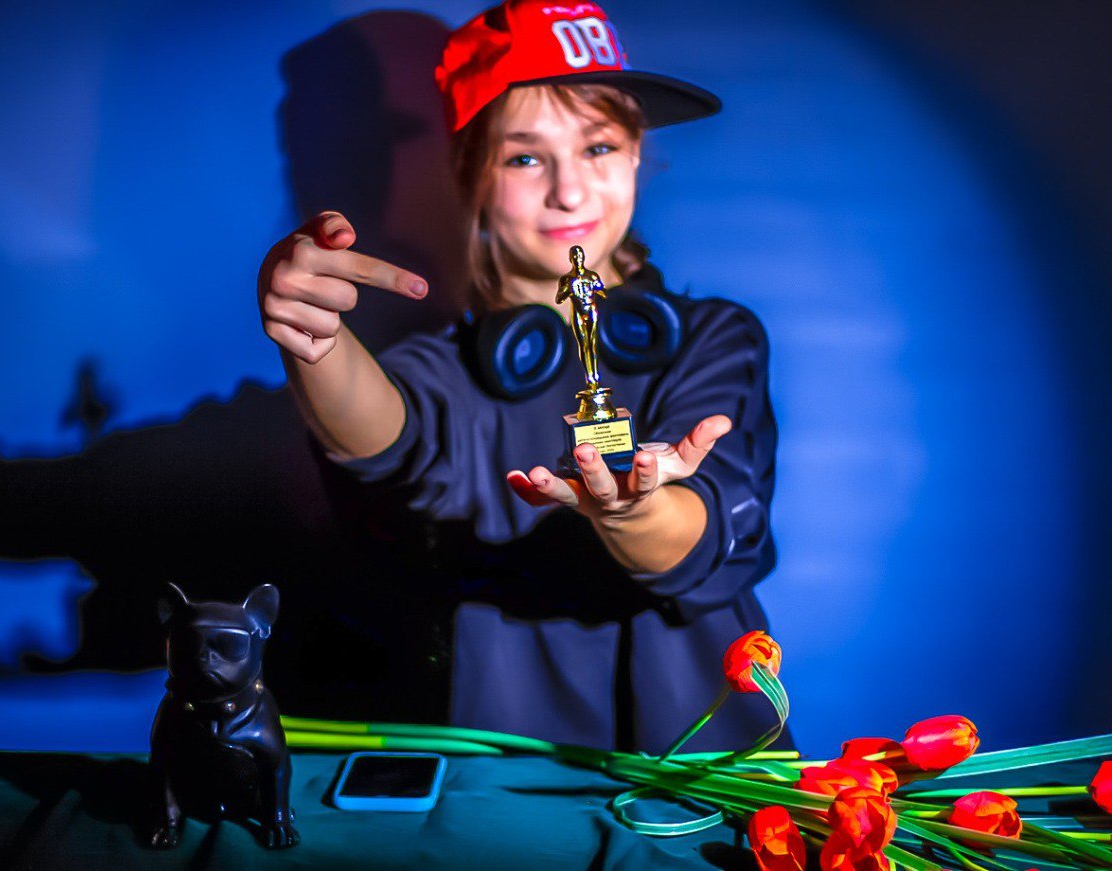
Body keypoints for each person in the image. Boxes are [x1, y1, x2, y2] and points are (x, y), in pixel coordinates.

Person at [257, 0, 784, 753]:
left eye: (598, 147)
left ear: (637, 154)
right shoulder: (447, 369)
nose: (569, 191)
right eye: (525, 158)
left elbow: (702, 533)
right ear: (471, 174)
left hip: (700, 771)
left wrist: (632, 513)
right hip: (507, 775)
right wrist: (314, 339)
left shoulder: (715, 339)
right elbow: (384, 435)